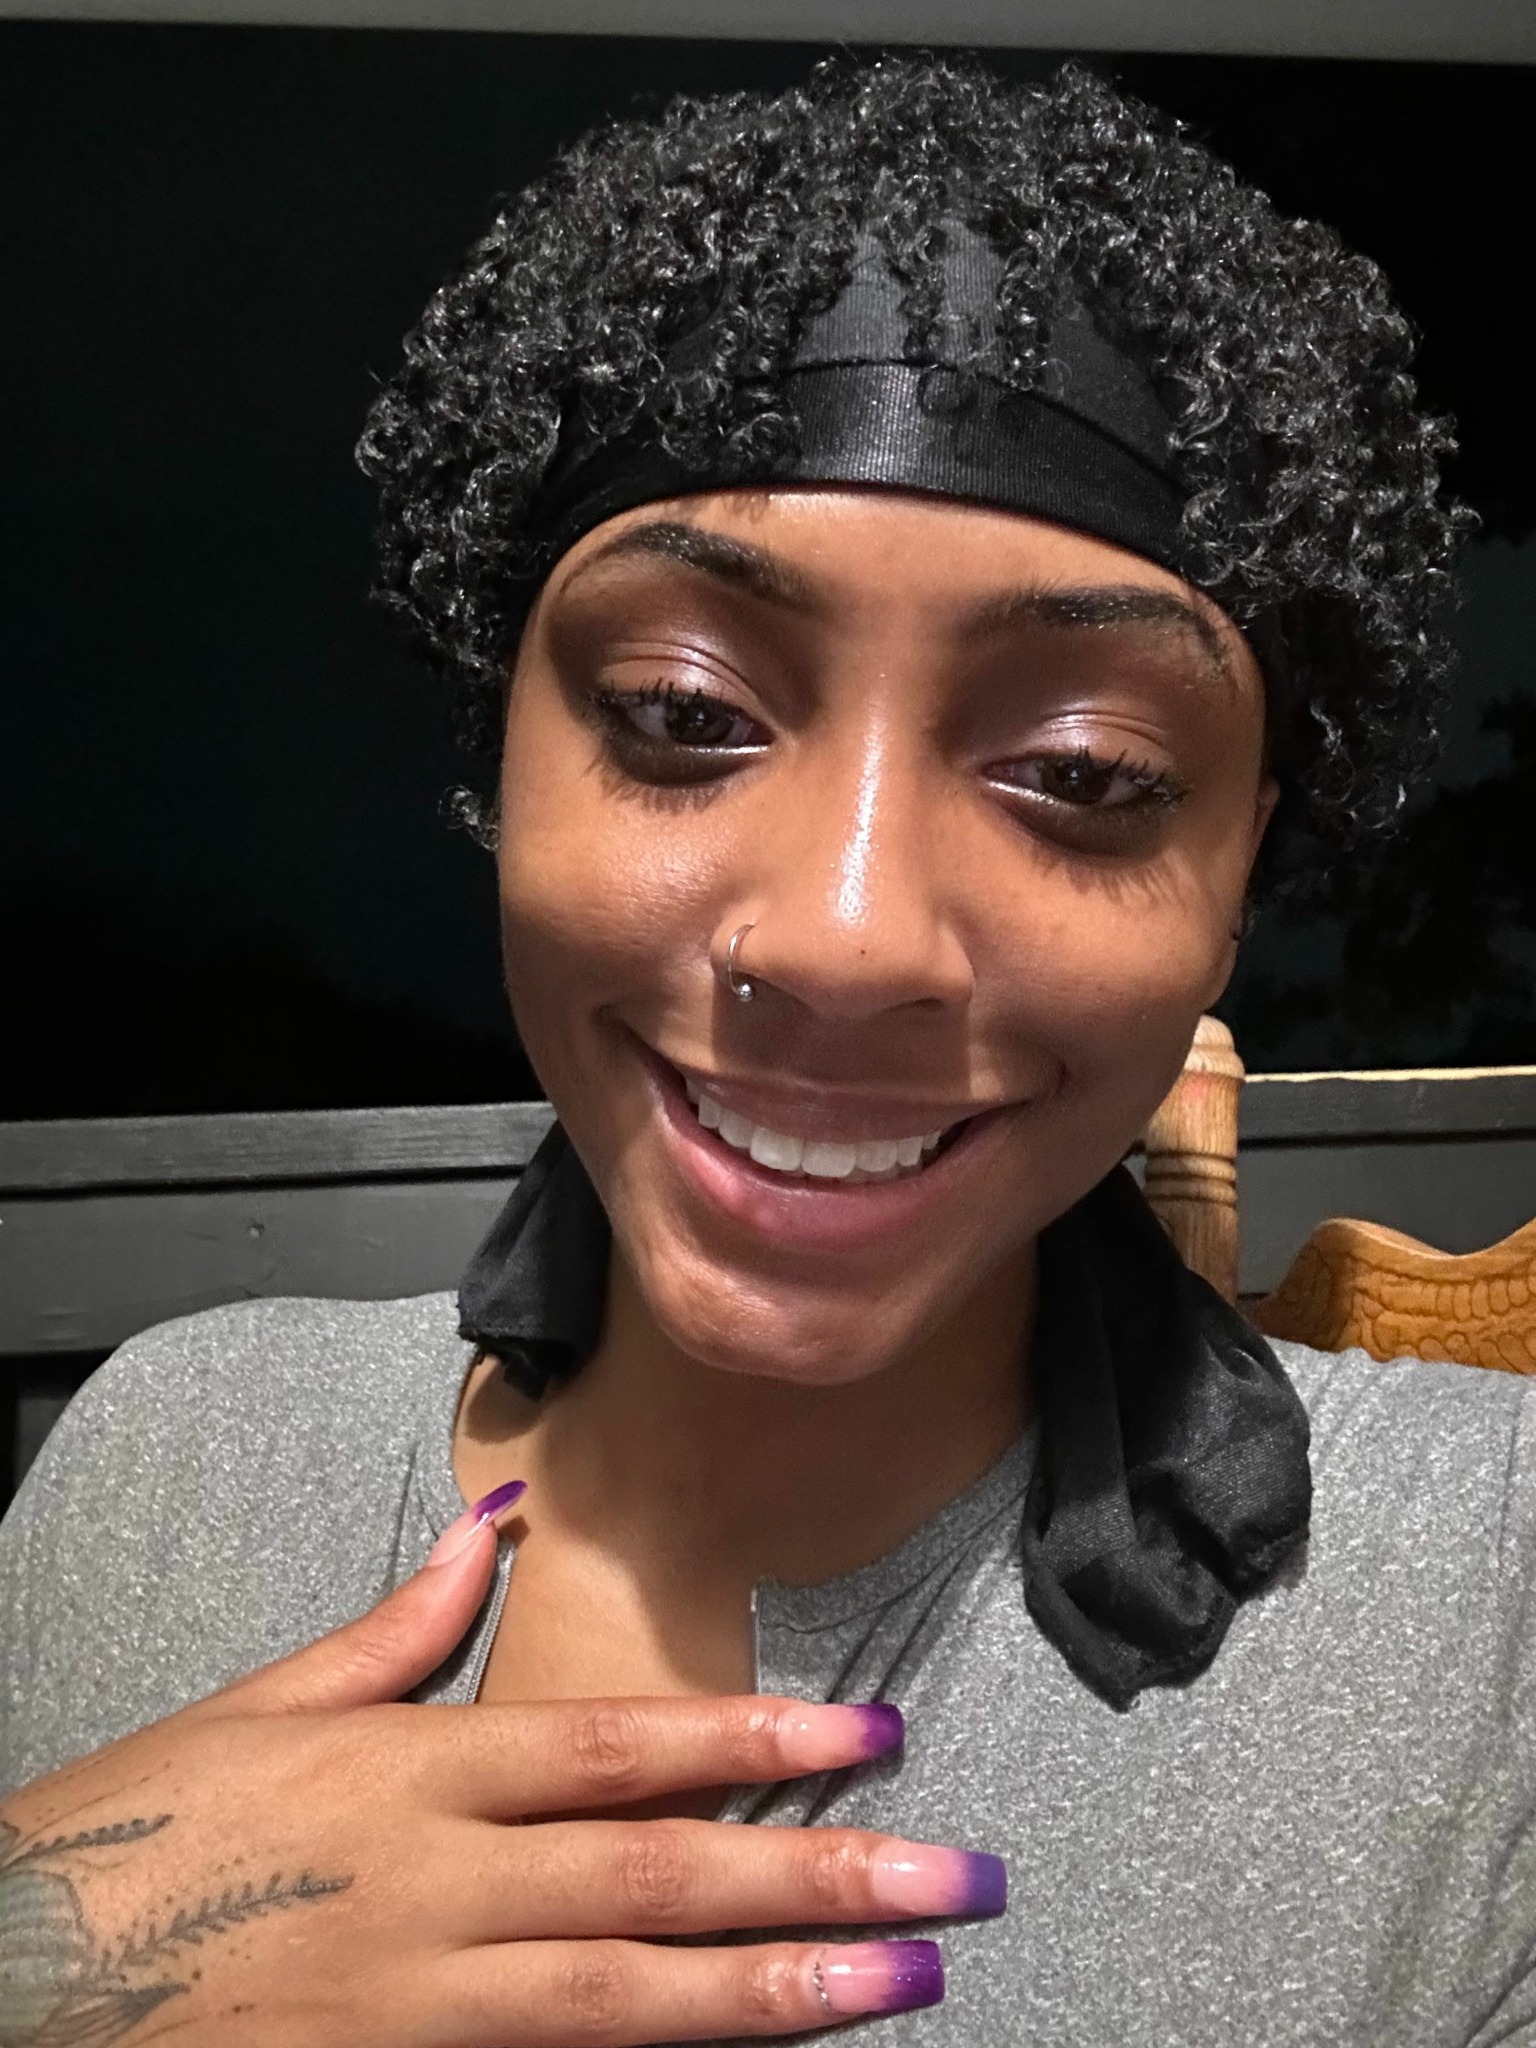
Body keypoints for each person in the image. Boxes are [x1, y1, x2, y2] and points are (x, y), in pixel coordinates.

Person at [1, 53, 1527, 2048]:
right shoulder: (162, 1465)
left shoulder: (1481, 1608)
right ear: (501, 766)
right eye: (682, 710)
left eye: (1085, 771)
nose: (845, 933)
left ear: (1245, 868)